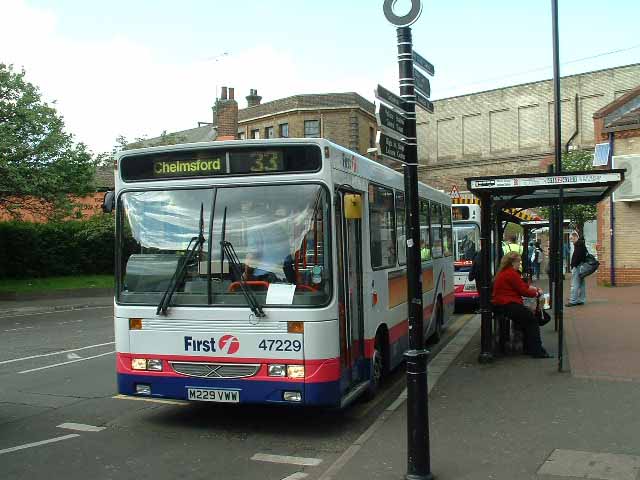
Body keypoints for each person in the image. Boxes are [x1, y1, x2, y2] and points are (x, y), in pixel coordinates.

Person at [492, 251, 551, 358]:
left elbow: (521, 285)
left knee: (526, 320)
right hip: (508, 305)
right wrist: (537, 293)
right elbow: (523, 290)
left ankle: (529, 348)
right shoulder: (510, 273)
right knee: (532, 320)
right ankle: (537, 351)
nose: (520, 264)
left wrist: (534, 289)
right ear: (512, 262)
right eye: (518, 262)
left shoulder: (506, 272)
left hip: (503, 304)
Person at [566, 231, 587, 307]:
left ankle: (573, 300)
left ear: (575, 237)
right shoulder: (581, 244)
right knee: (581, 284)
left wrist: (573, 265)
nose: (571, 240)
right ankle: (581, 299)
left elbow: (577, 257)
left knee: (574, 284)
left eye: (571, 238)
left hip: (577, 267)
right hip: (581, 266)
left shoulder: (578, 245)